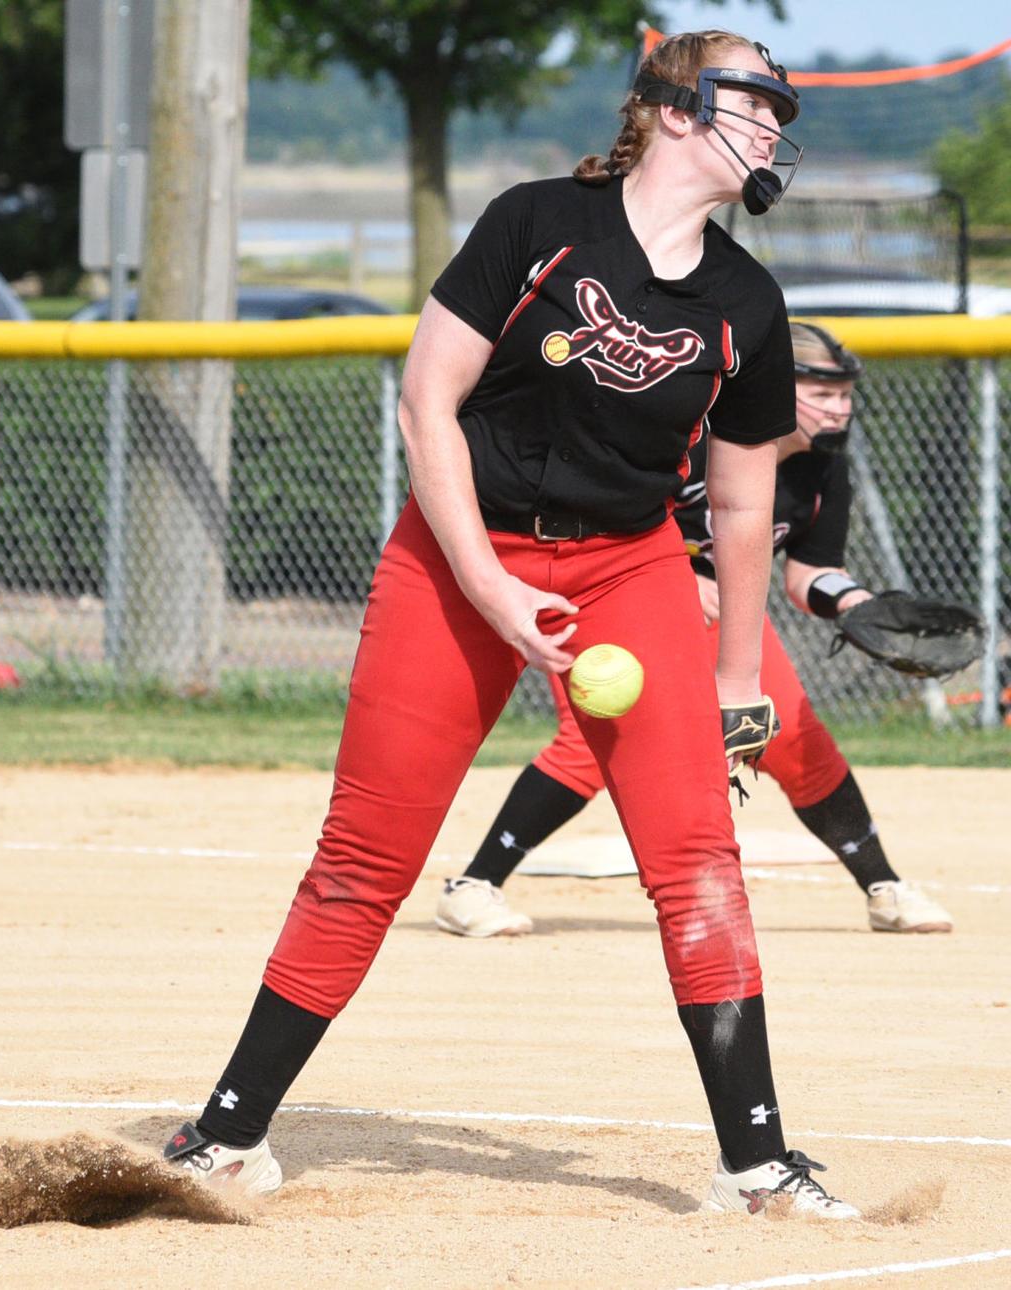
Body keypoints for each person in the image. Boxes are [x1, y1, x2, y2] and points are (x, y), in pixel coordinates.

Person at [161, 31, 859, 1218]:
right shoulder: (536, 223)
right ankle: (227, 1137)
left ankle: (758, 1164)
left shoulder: (746, 297)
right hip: (457, 551)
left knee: (696, 864)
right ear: (674, 108)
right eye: (751, 95)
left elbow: (742, 501)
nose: (773, 118)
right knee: (366, 858)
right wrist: (489, 586)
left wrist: (739, 670)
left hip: (629, 564)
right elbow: (426, 401)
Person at [435, 321, 955, 941]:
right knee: (593, 742)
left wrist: (854, 604)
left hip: (720, 615)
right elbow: (606, 519)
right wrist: (677, 579)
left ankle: (883, 886)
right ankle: (472, 886)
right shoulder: (695, 440)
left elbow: (809, 573)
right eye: (822, 393)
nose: (838, 408)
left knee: (786, 734)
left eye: (844, 395)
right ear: (776, 388)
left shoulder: (821, 472)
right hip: (608, 589)